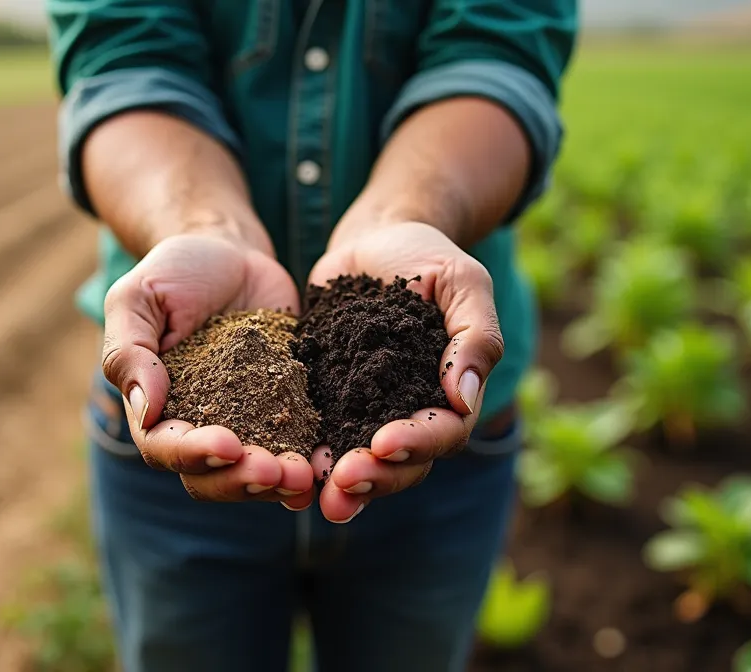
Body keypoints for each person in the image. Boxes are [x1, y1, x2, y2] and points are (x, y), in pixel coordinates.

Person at [46, 2, 576, 670]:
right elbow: (125, 58)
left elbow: (495, 52)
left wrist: (404, 215)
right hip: (174, 428)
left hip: (444, 437)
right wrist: (203, 226)